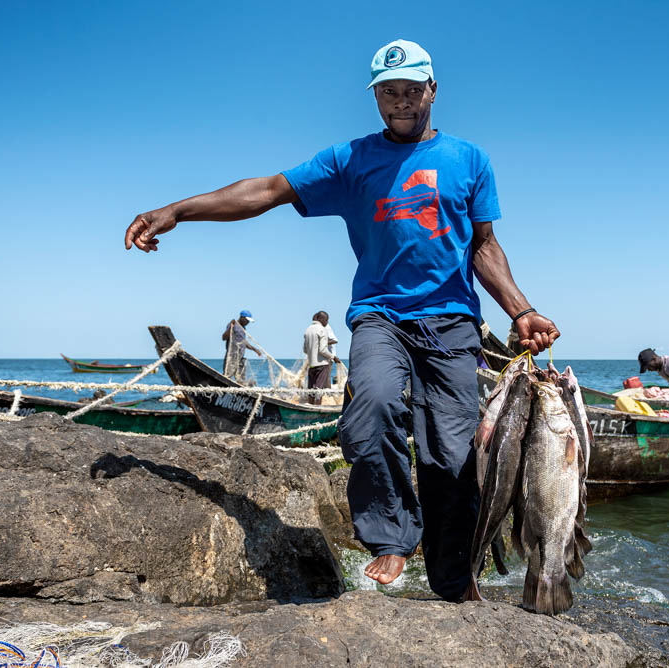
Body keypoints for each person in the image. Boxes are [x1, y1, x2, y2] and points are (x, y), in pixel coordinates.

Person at [123, 39, 560, 602]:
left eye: (410, 89)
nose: (399, 101)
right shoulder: (350, 160)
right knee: (371, 405)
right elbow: (267, 191)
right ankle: (392, 537)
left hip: (452, 322)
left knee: (451, 455)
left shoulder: (469, 159)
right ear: (376, 96)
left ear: (433, 90)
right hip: (380, 315)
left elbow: (483, 246)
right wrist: (177, 210)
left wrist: (520, 310)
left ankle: (454, 579)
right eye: (387, 92)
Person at [303, 311, 339, 403]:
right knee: (319, 390)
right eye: (326, 320)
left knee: (311, 390)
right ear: (320, 319)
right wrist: (333, 357)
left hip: (311, 364)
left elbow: (305, 350)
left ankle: (309, 406)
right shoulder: (322, 330)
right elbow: (323, 350)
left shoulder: (308, 329)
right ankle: (317, 409)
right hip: (322, 365)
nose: (327, 322)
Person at [221, 309, 261, 381]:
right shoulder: (233, 325)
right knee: (227, 377)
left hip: (240, 358)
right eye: (247, 320)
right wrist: (231, 327)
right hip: (231, 358)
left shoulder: (243, 328)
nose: (248, 322)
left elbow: (244, 343)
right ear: (242, 318)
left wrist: (255, 350)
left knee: (241, 380)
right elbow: (224, 337)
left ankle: (240, 391)